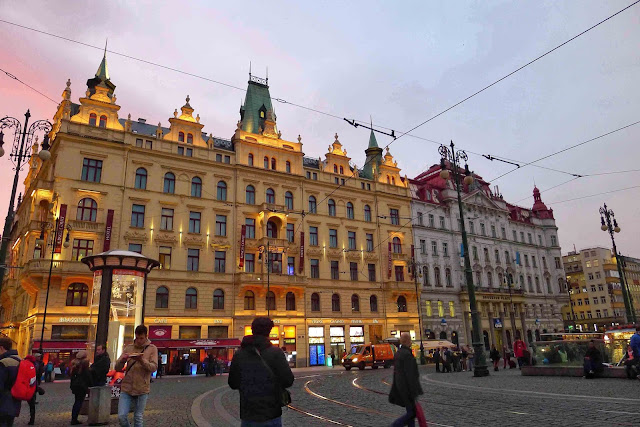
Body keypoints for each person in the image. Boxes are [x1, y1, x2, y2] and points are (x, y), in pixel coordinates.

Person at [229, 317, 294, 427]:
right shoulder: (276, 353)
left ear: (252, 329)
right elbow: (288, 381)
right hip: (271, 412)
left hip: (248, 413)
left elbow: (233, 383)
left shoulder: (240, 354)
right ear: (269, 331)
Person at [115, 324, 158, 427]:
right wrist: (122, 360)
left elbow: (154, 367)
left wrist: (142, 360)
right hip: (127, 387)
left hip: (142, 388)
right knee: (121, 416)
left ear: (146, 336)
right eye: (137, 338)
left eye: (141, 338)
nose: (139, 340)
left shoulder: (152, 349)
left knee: (138, 417)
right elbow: (117, 368)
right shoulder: (129, 348)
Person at [389, 333, 423, 427]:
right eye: (410, 340)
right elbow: (410, 375)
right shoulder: (407, 354)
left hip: (401, 387)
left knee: (411, 412)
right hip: (407, 389)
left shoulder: (398, 353)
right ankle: (395, 425)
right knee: (412, 413)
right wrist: (414, 391)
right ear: (408, 341)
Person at [0, 338, 21, 427]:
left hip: (3, 403)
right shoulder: (20, 360)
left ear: (1, 348)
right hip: (15, 402)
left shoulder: (4, 363)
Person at [69, 351, 92, 425]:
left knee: (76, 401)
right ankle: (74, 419)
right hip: (82, 386)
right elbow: (87, 376)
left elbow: (72, 376)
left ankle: (74, 417)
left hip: (75, 386)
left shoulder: (74, 365)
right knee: (79, 402)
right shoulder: (84, 365)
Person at [25, 354, 45, 426]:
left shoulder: (27, 365)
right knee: (32, 405)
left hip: (28, 385)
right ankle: (32, 419)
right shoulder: (34, 365)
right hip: (33, 385)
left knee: (31, 403)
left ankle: (32, 419)